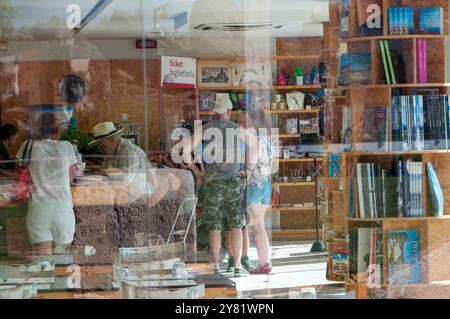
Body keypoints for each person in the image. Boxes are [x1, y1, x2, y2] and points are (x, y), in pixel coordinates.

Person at [184, 94, 259, 277]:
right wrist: (248, 169)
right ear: (229, 111)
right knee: (235, 224)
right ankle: (237, 266)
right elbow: (256, 147)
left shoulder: (206, 129)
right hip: (234, 182)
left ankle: (215, 264)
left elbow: (185, 149)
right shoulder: (236, 129)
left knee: (214, 225)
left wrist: (197, 171)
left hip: (212, 184)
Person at [16, 113, 76, 255]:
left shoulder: (27, 146)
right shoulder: (66, 146)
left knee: (42, 265)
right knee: (63, 261)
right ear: (57, 129)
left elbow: (21, 174)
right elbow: (70, 178)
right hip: (63, 209)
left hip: (39, 209)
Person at [89, 122, 180, 206]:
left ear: (112, 140)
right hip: (124, 196)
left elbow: (126, 179)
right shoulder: (110, 152)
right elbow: (106, 174)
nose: (100, 149)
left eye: (102, 145)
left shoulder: (128, 150)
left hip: (141, 198)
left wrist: (104, 172)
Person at [246, 112, 277, 274]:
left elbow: (253, 156)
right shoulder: (271, 140)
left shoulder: (254, 139)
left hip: (255, 183)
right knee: (260, 224)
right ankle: (265, 262)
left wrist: (247, 172)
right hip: (266, 183)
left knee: (255, 226)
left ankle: (263, 263)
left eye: (249, 119)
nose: (246, 121)